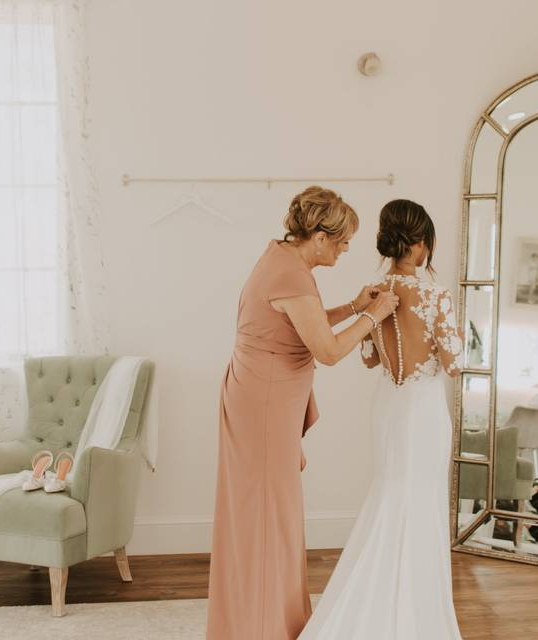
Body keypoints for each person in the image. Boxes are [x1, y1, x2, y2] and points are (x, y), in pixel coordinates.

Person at [206, 186, 399, 640]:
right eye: (342, 240)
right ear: (318, 236)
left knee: (266, 515)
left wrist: (354, 306)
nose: (347, 248)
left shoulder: (282, 260)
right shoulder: (290, 273)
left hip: (260, 396)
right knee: (269, 517)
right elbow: (328, 351)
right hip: (266, 403)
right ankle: (263, 627)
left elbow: (300, 321)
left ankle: (260, 619)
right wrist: (374, 317)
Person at [299, 199, 464, 640]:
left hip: (389, 407)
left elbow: (371, 359)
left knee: (390, 496)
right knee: (419, 503)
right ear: (422, 243)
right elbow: (454, 362)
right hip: (424, 410)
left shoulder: (375, 293)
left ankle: (373, 604)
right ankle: (413, 614)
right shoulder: (435, 295)